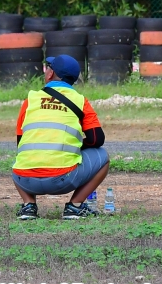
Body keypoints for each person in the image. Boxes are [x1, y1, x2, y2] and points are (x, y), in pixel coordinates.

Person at [12, 54, 109, 220]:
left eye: (48, 68)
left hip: (24, 179)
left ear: (51, 74)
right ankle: (74, 206)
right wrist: (74, 145)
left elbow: (21, 142)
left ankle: (29, 205)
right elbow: (96, 139)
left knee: (23, 155)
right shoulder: (80, 101)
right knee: (103, 156)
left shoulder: (31, 99)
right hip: (64, 180)